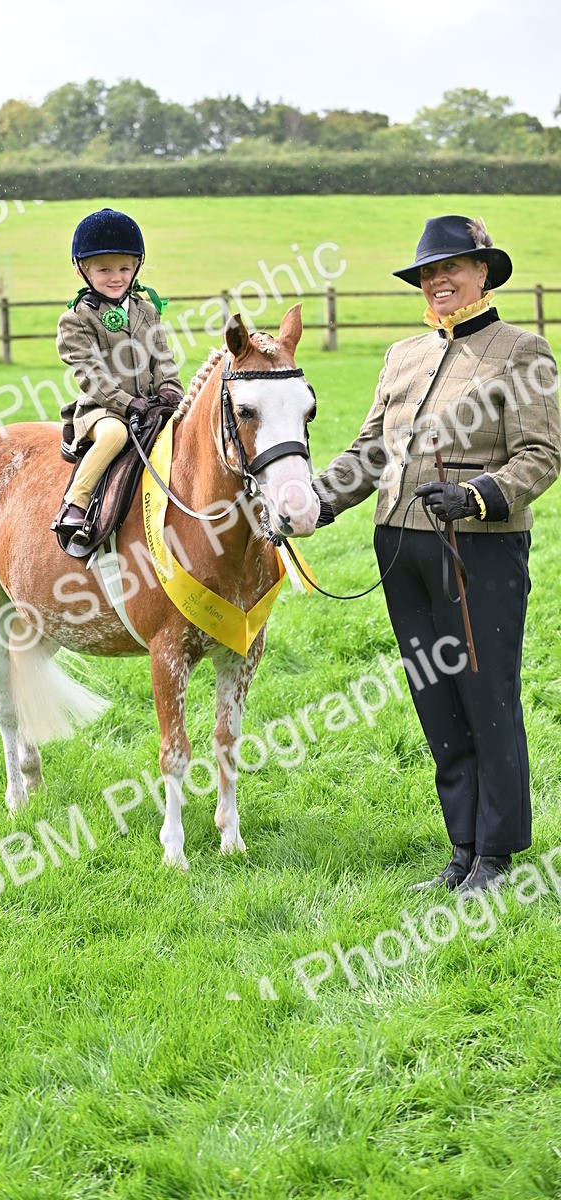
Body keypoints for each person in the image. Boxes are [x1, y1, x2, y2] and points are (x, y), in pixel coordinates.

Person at [313, 214, 561, 893]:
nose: (438, 280)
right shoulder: (403, 355)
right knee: (436, 700)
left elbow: (542, 454)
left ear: (484, 271)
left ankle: (499, 855)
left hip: (477, 551)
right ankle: (461, 849)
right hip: (401, 548)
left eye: (451, 267)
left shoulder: (522, 350)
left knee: (487, 698)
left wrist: (482, 494)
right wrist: (315, 501)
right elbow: (369, 452)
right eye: (428, 272)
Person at [53, 207, 184, 540]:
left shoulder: (147, 311)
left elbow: (163, 357)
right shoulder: (77, 319)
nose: (116, 277)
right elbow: (90, 375)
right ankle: (76, 503)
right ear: (83, 270)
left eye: (124, 268)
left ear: (136, 267)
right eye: (104, 269)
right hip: (103, 411)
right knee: (115, 436)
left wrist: (170, 389)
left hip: (152, 406)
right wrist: (126, 404)